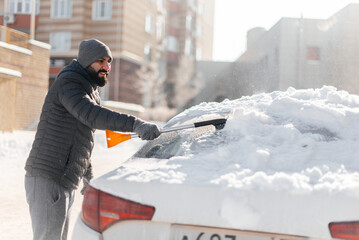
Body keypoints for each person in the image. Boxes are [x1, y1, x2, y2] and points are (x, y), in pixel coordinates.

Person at [24, 39, 161, 240]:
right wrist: (135, 124)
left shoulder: (88, 88)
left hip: (64, 179)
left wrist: (86, 174)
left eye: (109, 61)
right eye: (101, 61)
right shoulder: (69, 83)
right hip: (48, 176)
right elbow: (91, 115)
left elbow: (80, 138)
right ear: (87, 61)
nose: (107, 67)